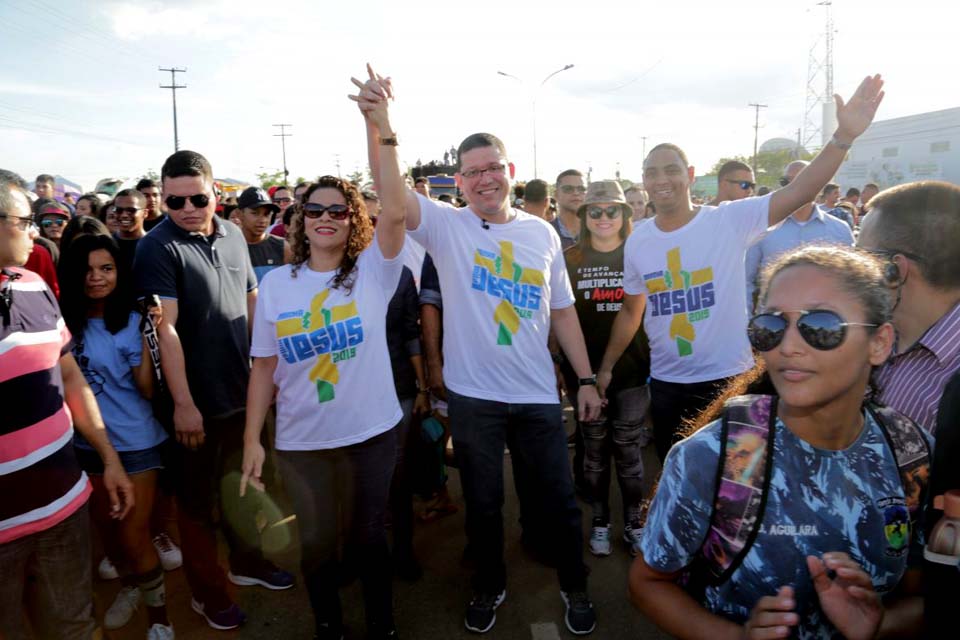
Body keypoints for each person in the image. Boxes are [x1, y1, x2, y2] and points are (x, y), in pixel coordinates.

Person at [355, 65, 603, 636]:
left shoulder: (542, 234)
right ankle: (489, 584)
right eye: (472, 173)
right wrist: (381, 125)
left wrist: (586, 380)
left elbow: (562, 311)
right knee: (484, 504)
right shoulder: (448, 227)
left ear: (509, 172)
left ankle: (575, 584)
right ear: (460, 182)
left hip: (537, 395)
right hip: (474, 399)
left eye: (492, 168)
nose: (484, 179)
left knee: (560, 502)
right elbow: (391, 197)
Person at [629, 244, 928, 639]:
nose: (787, 346)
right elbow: (648, 582)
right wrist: (736, 636)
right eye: (770, 326)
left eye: (821, 326)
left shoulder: (911, 452)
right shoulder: (710, 458)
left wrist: (881, 624)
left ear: (879, 342)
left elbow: (924, 593)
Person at [598, 75, 886, 462]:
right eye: (651, 172)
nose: (661, 179)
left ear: (690, 174)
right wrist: (606, 367)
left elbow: (799, 191)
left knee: (740, 478)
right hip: (667, 383)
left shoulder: (729, 220)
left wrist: (843, 138)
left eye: (671, 169)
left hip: (728, 380)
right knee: (677, 472)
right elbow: (631, 310)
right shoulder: (639, 240)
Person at [241, 169, 407, 639]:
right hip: (302, 442)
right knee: (315, 543)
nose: (326, 218)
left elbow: (396, 211)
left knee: (368, 538)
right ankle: (328, 626)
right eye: (315, 210)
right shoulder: (278, 285)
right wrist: (252, 439)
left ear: (354, 219)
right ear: (301, 219)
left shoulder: (374, 272)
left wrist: (381, 132)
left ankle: (382, 626)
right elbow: (264, 366)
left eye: (338, 210)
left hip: (370, 435)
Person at [134, 150, 292, 632]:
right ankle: (207, 594)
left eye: (197, 199)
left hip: (242, 396)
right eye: (174, 201)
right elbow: (165, 329)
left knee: (247, 487)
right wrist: (183, 404)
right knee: (197, 508)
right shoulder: (156, 248)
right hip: (194, 406)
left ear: (215, 194)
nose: (187, 209)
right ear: (163, 199)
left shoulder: (233, 235)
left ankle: (248, 563)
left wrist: (271, 374)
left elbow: (253, 304)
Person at [0, 170, 135, 640]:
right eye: (25, 221)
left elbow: (71, 377)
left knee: (74, 626)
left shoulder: (34, 286)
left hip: (63, 504)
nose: (35, 233)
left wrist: (108, 456)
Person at [60, 234, 174, 639]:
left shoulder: (132, 320)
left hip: (136, 444)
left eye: (106, 268)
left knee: (132, 534)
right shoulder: (57, 322)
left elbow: (146, 389)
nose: (96, 277)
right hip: (83, 447)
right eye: (87, 270)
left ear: (119, 273)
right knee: (108, 534)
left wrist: (147, 335)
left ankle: (159, 617)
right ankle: (131, 588)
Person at [561, 180, 650, 558]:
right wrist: (570, 369)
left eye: (612, 210)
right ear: (584, 216)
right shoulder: (569, 259)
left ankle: (633, 522)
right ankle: (600, 520)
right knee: (594, 454)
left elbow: (638, 312)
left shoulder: (638, 254)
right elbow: (559, 317)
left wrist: (608, 369)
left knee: (629, 454)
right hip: (583, 374)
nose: (603, 217)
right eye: (595, 211)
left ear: (624, 214)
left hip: (629, 372)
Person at [745, 160, 854, 313]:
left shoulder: (839, 229)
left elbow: (851, 284)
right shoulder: (763, 228)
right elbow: (745, 280)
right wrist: (747, 321)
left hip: (823, 323)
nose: (794, 188)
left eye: (802, 180)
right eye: (787, 182)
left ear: (820, 185)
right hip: (774, 323)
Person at [236, 186, 290, 283]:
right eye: (255, 213)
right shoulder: (227, 247)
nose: (262, 220)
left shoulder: (283, 248)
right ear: (240, 214)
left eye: (267, 214)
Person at [113, 188, 149, 274]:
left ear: (145, 213)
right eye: (119, 210)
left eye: (131, 210)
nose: (124, 215)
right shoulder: (106, 244)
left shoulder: (155, 246)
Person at [551, 169, 585, 249]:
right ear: (556, 195)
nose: (576, 193)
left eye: (581, 189)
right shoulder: (545, 232)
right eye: (568, 189)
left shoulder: (597, 231)